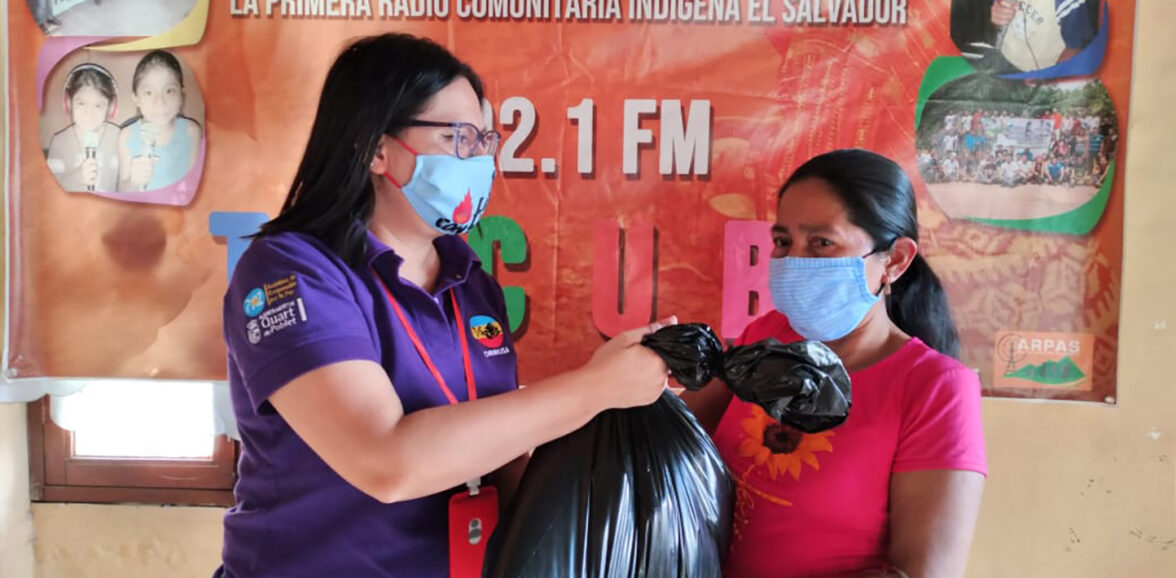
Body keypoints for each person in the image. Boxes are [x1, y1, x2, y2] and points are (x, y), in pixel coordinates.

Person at [214, 33, 672, 578]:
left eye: (485, 140)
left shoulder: (472, 284)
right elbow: (386, 463)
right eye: (459, 137)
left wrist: (625, 412)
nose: (480, 160)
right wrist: (594, 388)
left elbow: (499, 457)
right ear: (376, 148)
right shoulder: (291, 272)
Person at [683, 150, 986, 578]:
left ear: (895, 260)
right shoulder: (766, 335)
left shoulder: (935, 389)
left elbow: (923, 572)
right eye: (784, 242)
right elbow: (678, 435)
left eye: (822, 243)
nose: (795, 261)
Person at [118, 50, 202, 191]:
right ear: (136, 98)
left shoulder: (192, 132)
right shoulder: (126, 137)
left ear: (181, 94)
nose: (160, 102)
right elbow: (122, 189)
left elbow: (193, 187)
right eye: (149, 93)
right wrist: (133, 181)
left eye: (169, 91)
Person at [46, 63, 121, 192]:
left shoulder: (118, 137)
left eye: (98, 106)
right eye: (81, 104)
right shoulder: (59, 142)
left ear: (110, 108)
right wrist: (77, 177)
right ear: (68, 103)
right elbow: (50, 189)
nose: (89, 114)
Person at [990, 0, 1099, 72]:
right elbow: (997, 26)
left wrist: (1050, 82)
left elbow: (1075, 49)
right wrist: (998, 17)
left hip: (1043, 74)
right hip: (1004, 61)